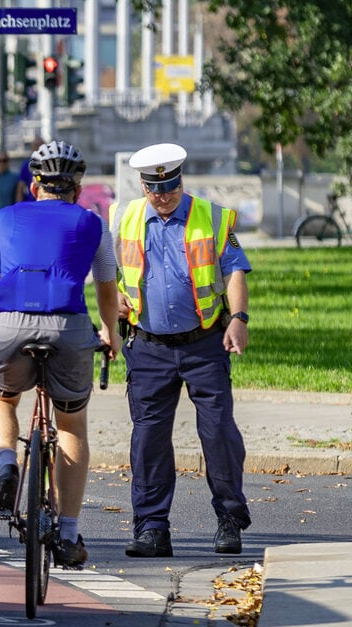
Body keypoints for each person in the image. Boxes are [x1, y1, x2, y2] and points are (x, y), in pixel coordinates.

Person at [0, 140, 121, 568]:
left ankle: (6, 463)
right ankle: (70, 534)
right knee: (72, 424)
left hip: (9, 323)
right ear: (78, 187)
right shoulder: (92, 223)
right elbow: (106, 287)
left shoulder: (3, 218)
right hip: (67, 326)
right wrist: (109, 332)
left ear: (34, 184)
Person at [108, 142, 252, 558]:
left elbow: (235, 272)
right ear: (143, 185)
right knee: (149, 438)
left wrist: (239, 319)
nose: (164, 195)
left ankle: (229, 520)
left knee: (219, 431)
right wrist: (112, 304)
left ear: (180, 179)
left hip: (204, 343)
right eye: (155, 188)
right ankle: (152, 529)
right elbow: (109, 275)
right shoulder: (124, 218)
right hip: (148, 347)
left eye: (170, 186)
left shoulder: (212, 218)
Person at [14, 136, 44, 203]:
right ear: (32, 147)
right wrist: (18, 205)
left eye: (41, 146)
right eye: (36, 145)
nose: (38, 148)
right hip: (31, 202)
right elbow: (20, 186)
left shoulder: (49, 164)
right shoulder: (26, 165)